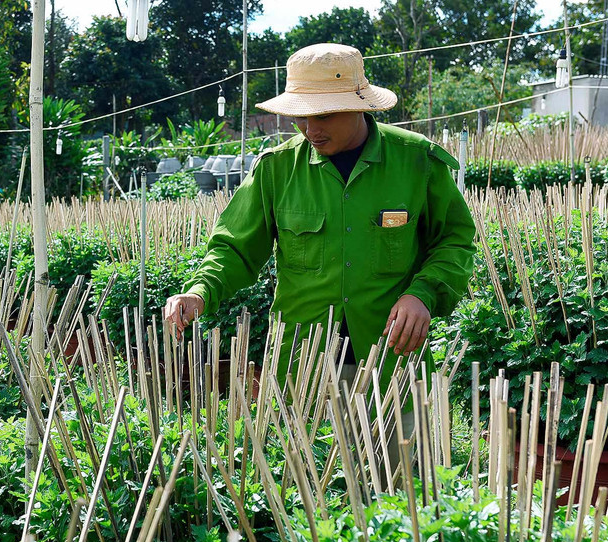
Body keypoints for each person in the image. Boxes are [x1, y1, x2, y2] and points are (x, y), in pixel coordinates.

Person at [164, 43, 476, 394]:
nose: (310, 129)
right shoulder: (276, 169)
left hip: (392, 360)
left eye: (323, 116)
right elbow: (235, 248)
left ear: (356, 107)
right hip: (301, 365)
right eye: (300, 117)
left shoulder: (418, 162)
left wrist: (423, 294)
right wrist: (199, 291)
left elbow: (455, 241)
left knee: (395, 451)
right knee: (297, 451)